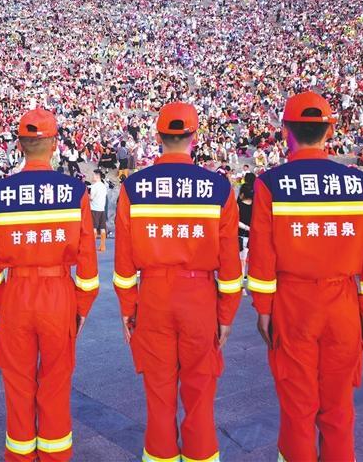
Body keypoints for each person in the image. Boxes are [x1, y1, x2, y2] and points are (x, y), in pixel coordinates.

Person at [247, 92, 363, 462]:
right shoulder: (360, 184)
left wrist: (263, 308)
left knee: (297, 406)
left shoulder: (270, 183)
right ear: (330, 130)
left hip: (293, 305)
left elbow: (262, 255)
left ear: (285, 131)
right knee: (339, 407)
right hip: (343, 305)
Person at [113, 102, 242, 462]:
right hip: (199, 299)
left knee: (158, 393)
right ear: (194, 137)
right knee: (200, 394)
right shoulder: (218, 188)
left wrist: (128, 310)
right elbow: (231, 266)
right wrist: (226, 315)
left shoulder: (133, 187)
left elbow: (124, 265)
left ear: (158, 136)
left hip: (153, 298)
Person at [0, 108, 98, 462]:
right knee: (56, 384)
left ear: (19, 145)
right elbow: (88, 264)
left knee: (17, 386)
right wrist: (81, 308)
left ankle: (19, 455)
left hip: (15, 296)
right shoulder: (74, 191)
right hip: (58, 294)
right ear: (55, 144)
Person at [89, 170, 108, 252]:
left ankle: (92, 246)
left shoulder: (94, 186)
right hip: (102, 209)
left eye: (93, 175)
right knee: (102, 228)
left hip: (94, 209)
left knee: (94, 228)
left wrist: (87, 195)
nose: (92, 176)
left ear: (97, 176)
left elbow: (91, 198)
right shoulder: (104, 186)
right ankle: (103, 246)